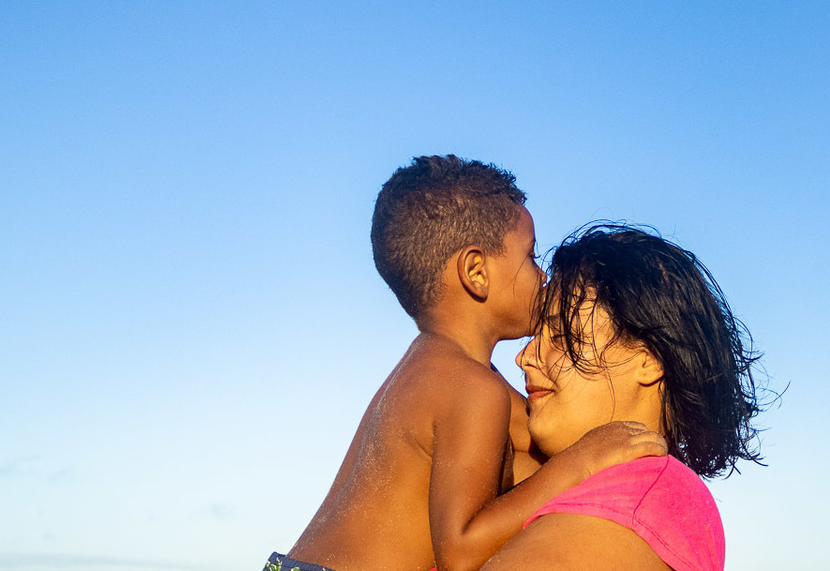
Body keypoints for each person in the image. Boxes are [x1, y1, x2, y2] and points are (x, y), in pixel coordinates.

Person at [267, 158, 667, 571]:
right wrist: (582, 462)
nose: (543, 276)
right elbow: (460, 552)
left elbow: (536, 444)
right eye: (530, 257)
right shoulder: (473, 390)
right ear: (476, 272)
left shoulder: (428, 368)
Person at [483, 224, 765, 571]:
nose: (525, 357)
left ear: (649, 359)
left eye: (561, 333)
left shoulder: (649, 494)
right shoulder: (558, 481)